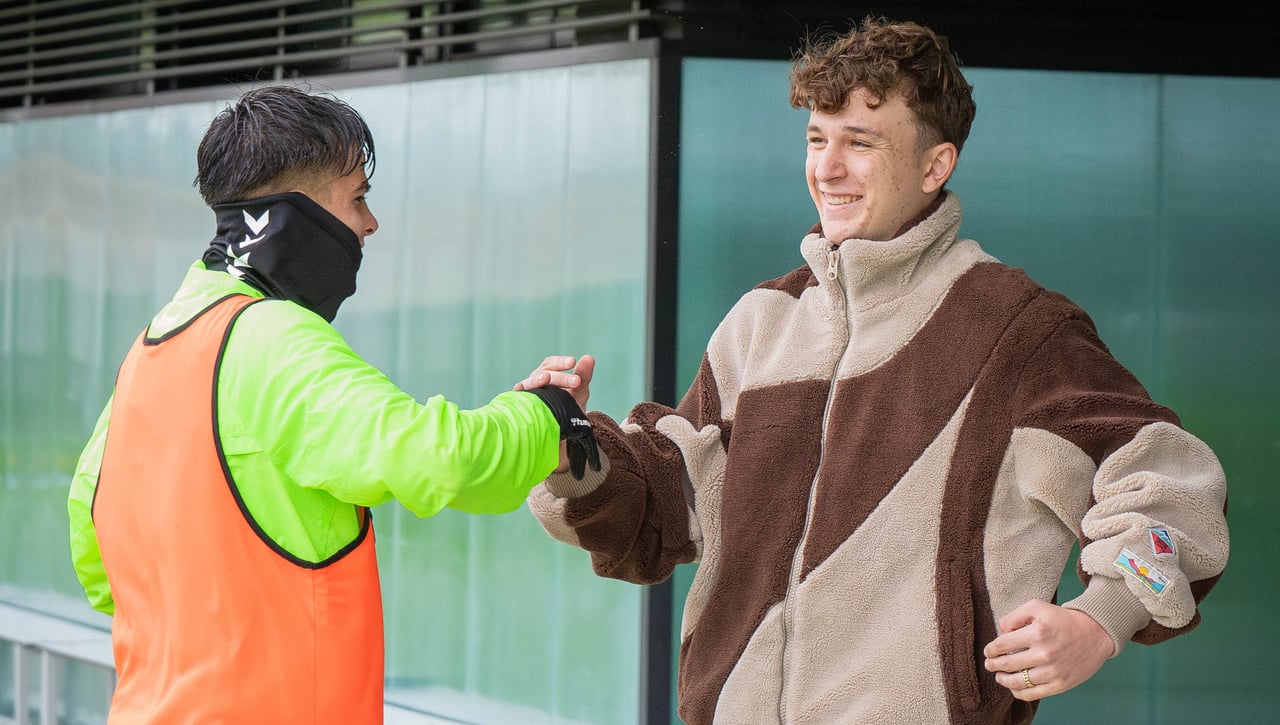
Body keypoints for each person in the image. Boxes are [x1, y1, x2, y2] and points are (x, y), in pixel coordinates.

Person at [517, 16, 1229, 725]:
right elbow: (663, 508)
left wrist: (1100, 621)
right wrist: (567, 443)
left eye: (860, 143)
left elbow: (1175, 494)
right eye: (817, 140)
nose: (827, 168)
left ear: (935, 165)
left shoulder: (1017, 332)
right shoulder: (762, 321)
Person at [66, 85, 598, 724]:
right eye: (359, 198)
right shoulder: (271, 340)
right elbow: (440, 457)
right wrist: (546, 416)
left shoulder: (151, 349)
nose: (371, 223)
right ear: (293, 214)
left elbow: (94, 555)